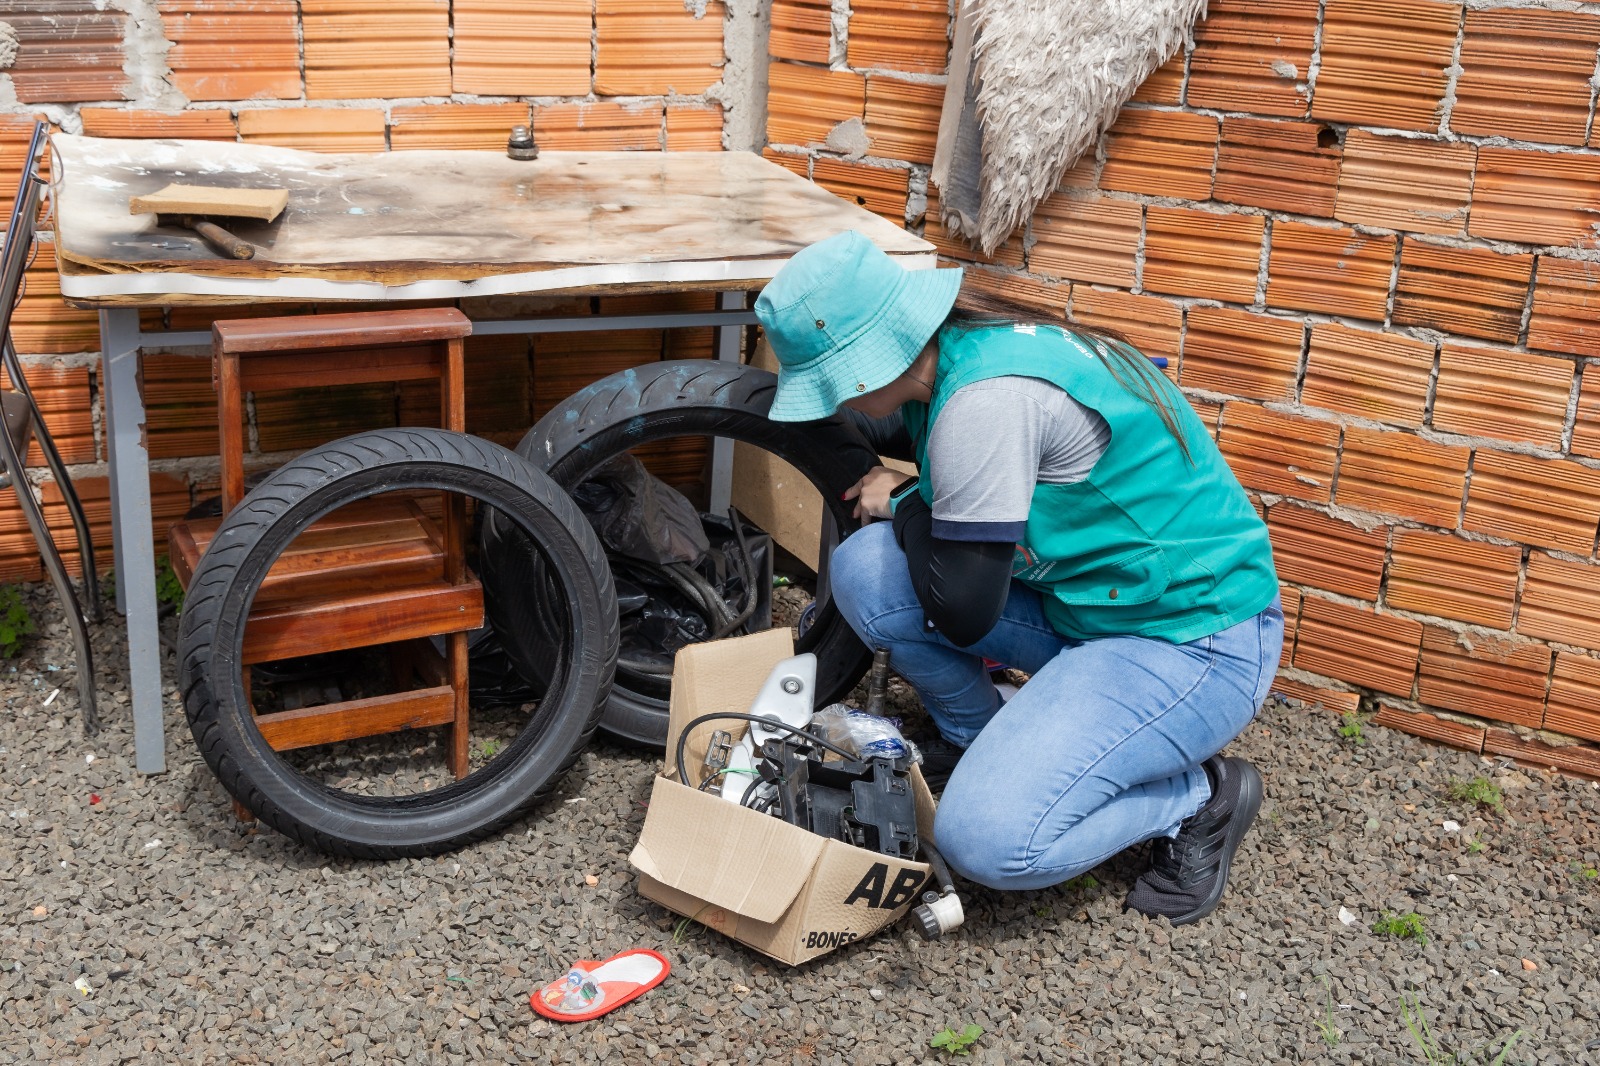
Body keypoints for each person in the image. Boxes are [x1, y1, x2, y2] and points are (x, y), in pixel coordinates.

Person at [753, 230, 1283, 926]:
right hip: (1098, 603)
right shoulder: (954, 350)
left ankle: (1197, 798)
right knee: (866, 571)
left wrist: (908, 498)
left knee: (988, 840)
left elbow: (963, 610)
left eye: (828, 382)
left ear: (864, 366)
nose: (827, 400)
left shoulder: (984, 403)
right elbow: (865, 431)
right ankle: (981, 739)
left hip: (1193, 643)